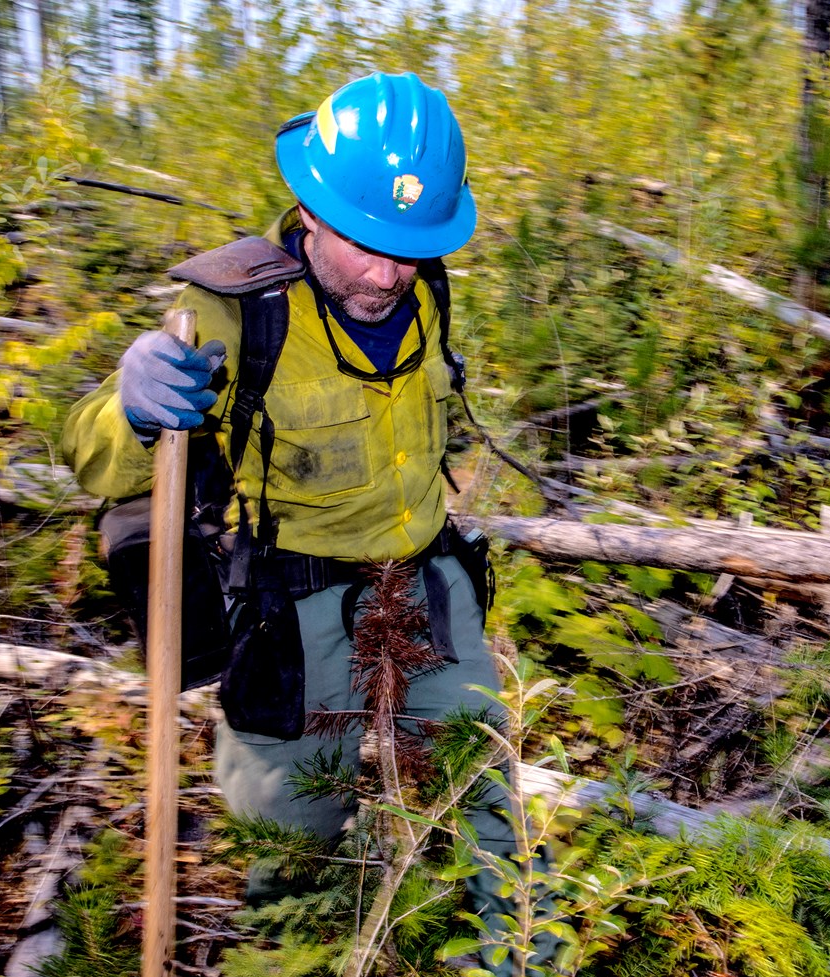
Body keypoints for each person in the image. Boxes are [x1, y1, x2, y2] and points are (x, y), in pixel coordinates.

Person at [61, 71, 509, 903]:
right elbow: (94, 459)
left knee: (483, 790)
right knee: (289, 834)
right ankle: (290, 973)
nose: (386, 275)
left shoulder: (425, 288)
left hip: (428, 575)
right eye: (362, 242)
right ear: (308, 209)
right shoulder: (234, 309)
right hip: (295, 609)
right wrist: (132, 407)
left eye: (408, 248)